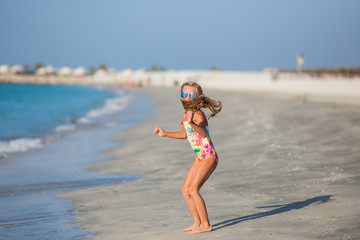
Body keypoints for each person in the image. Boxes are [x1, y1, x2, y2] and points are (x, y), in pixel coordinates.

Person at [153, 81, 222, 234]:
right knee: (185, 190)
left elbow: (203, 133)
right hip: (199, 157)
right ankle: (197, 222)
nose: (187, 97)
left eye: (191, 95)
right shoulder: (186, 115)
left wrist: (191, 122)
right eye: (184, 94)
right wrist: (165, 134)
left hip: (209, 155)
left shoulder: (198, 114)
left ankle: (206, 225)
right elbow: (185, 134)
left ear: (198, 97)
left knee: (194, 189)